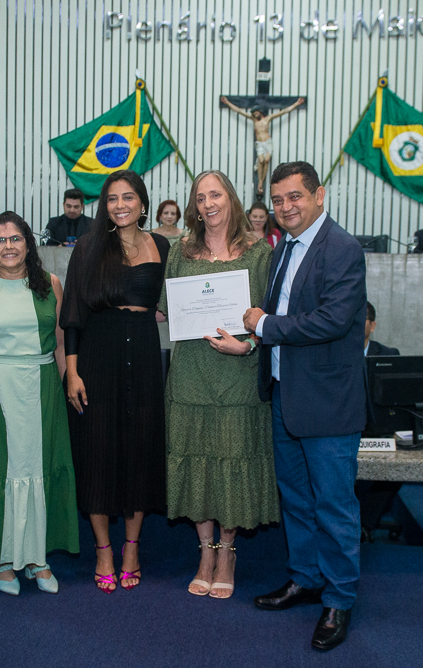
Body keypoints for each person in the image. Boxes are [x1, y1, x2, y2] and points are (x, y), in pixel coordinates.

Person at [242, 161, 367, 652]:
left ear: (319, 195)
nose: (286, 208)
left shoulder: (342, 248)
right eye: (278, 200)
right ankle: (306, 578)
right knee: (295, 498)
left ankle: (339, 598)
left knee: (334, 505)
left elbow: (332, 320)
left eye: (295, 197)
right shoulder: (283, 248)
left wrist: (264, 326)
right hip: (284, 395)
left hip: (328, 405)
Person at [160, 171, 279, 600]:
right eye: (200, 196)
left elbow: (270, 320)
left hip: (238, 377)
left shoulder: (259, 254)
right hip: (190, 374)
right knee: (196, 461)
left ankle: (227, 553)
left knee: (232, 460)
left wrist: (246, 346)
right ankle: (204, 552)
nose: (208, 203)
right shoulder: (180, 253)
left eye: (216, 194)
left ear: (231, 199)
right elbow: (164, 309)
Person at [0, 211, 79, 596]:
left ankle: (37, 558)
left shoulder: (51, 284)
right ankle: (4, 560)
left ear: (28, 242)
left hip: (42, 387)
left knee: (39, 470)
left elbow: (60, 343)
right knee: (4, 473)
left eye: (16, 239)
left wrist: (67, 383)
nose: (8, 247)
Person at [60, 170, 171, 593]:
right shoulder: (88, 247)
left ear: (143, 203)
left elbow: (175, 298)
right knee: (98, 452)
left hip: (143, 357)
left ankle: (132, 547)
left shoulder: (161, 245)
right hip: (97, 357)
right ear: (103, 205)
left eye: (128, 197)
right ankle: (103, 548)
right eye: (111, 199)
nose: (120, 205)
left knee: (139, 451)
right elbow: (73, 313)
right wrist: (72, 371)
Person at [220, 96, 305, 197]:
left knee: (266, 160)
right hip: (260, 144)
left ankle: (261, 182)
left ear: (260, 112)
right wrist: (227, 102)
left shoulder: (268, 119)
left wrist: (296, 104)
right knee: (261, 161)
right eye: (254, 114)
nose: (255, 115)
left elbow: (283, 112)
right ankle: (260, 183)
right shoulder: (254, 121)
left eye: (256, 113)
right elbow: (239, 111)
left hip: (267, 142)